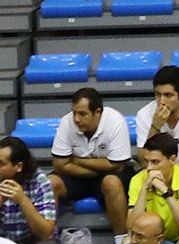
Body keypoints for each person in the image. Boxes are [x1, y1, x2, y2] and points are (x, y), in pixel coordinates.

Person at [50, 87, 132, 235]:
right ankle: (48, 238)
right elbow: (59, 165)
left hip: (109, 176)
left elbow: (117, 165)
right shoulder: (66, 122)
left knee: (112, 183)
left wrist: (77, 161)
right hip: (79, 177)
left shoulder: (115, 122)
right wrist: (99, 168)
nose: (76, 119)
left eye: (82, 114)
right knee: (50, 183)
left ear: (97, 112)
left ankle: (122, 241)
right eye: (74, 113)